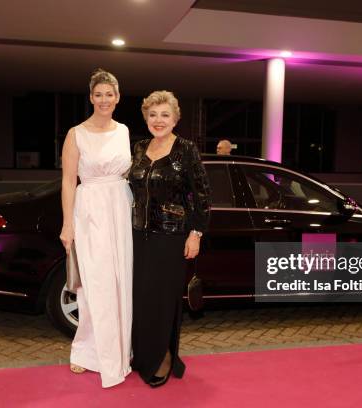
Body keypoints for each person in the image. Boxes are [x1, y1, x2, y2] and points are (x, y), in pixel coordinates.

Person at [129, 91, 211, 388]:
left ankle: (164, 357)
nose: (158, 120)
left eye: (165, 115)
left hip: (171, 236)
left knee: (164, 301)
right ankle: (143, 355)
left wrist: (196, 233)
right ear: (146, 119)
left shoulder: (186, 150)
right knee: (141, 299)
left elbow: (201, 196)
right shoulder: (138, 148)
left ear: (175, 118)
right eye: (153, 115)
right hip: (137, 236)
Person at [59, 69, 133, 388]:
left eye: (109, 94)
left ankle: (119, 351)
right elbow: (67, 181)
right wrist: (67, 224)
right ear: (91, 97)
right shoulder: (76, 133)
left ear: (117, 97)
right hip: (90, 211)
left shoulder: (124, 130)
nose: (104, 99)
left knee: (121, 284)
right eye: (98, 94)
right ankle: (87, 353)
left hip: (120, 208)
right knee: (95, 285)